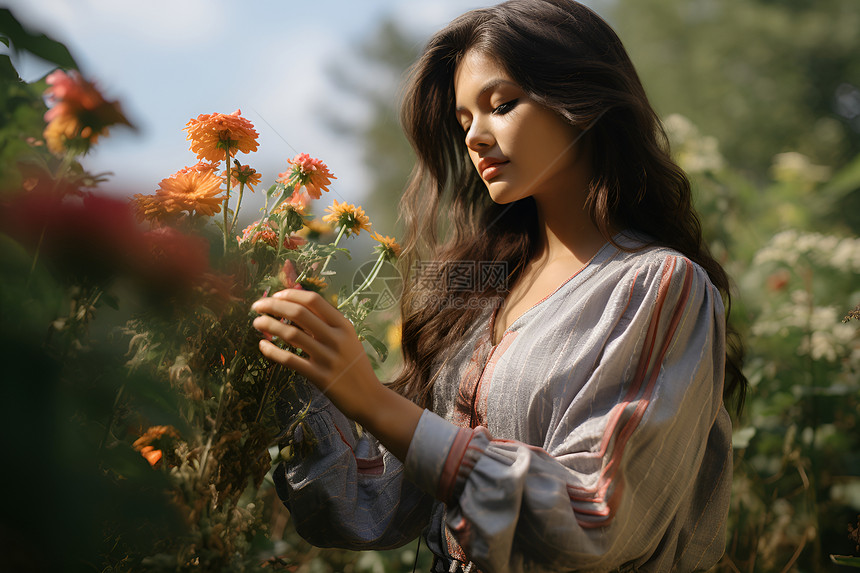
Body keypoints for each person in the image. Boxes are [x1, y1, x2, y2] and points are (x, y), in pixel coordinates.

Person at [250, 0, 746, 571]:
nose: (475, 138)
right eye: (463, 124)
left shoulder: (659, 285)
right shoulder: (477, 285)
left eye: (502, 105)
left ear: (582, 100)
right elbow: (375, 502)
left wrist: (369, 397)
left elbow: (595, 520)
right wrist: (298, 361)